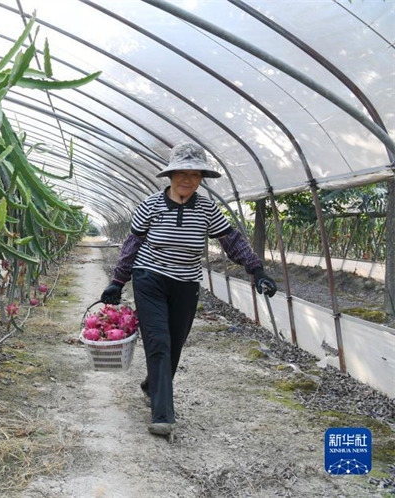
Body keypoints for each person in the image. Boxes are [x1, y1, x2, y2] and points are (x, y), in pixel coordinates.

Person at [100, 142, 277, 438]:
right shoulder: (151, 206)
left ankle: (152, 385)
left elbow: (231, 241)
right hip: (150, 278)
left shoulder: (207, 209)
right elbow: (132, 244)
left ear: (200, 179)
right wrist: (118, 281)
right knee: (158, 341)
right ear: (170, 176)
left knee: (176, 343)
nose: (187, 180)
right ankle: (162, 415)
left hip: (186, 282)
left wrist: (257, 271)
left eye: (194, 175)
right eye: (181, 173)